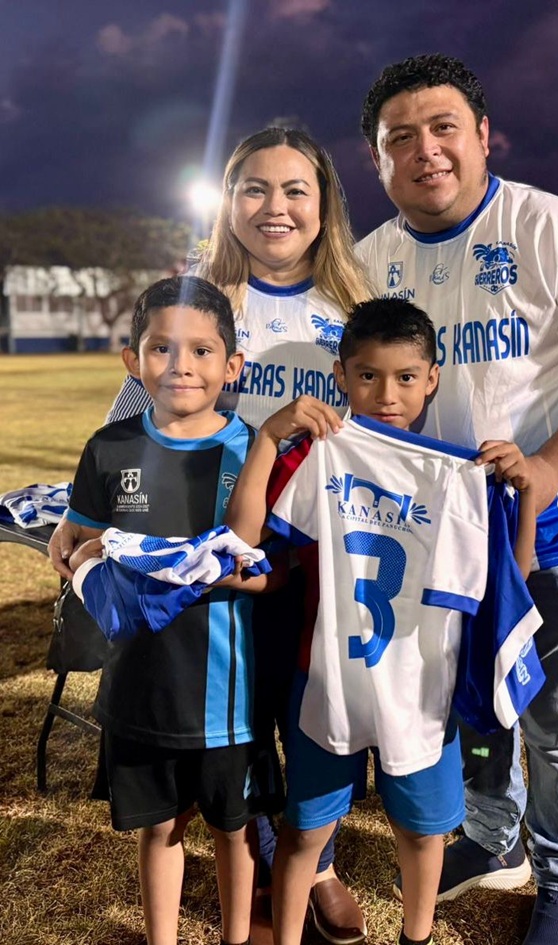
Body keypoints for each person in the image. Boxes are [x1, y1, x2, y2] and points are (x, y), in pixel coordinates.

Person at [356, 54, 558, 945]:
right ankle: (496, 839)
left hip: (551, 525)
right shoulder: (370, 261)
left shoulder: (554, 229)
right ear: (378, 159)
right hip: (434, 535)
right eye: (400, 138)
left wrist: (552, 464)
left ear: (483, 136)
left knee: (555, 715)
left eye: (443, 127)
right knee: (474, 701)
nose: (425, 150)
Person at [48, 127, 371, 945]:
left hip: (317, 541)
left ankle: (315, 861)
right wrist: (84, 512)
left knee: (307, 713)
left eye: (295, 189)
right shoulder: (205, 291)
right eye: (254, 188)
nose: (274, 206)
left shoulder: (354, 300)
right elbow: (142, 406)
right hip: (215, 535)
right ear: (229, 202)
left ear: (325, 203)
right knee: (231, 714)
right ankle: (259, 854)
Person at [225, 297, 541, 945]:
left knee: (421, 832)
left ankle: (415, 936)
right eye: (368, 375)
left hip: (421, 689)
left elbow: (511, 577)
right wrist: (268, 438)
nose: (386, 394)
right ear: (341, 376)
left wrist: (527, 494)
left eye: (404, 377)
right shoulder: (319, 454)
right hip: (327, 679)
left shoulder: (462, 474)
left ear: (432, 380)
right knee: (306, 830)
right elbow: (245, 541)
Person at [64, 275, 281, 945]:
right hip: (139, 686)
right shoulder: (110, 447)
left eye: (201, 350)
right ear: (133, 361)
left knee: (233, 828)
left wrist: (221, 574)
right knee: (160, 826)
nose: (181, 365)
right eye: (162, 348)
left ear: (232, 365)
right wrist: (81, 558)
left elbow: (274, 569)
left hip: (228, 696)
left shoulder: (253, 451)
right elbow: (81, 543)